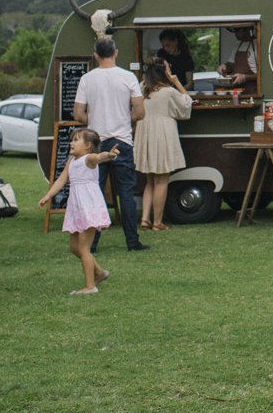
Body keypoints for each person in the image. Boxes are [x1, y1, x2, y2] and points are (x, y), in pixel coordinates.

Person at [72, 36, 148, 252]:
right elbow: (140, 112)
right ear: (116, 52)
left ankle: (91, 244)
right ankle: (132, 242)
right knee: (126, 192)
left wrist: (95, 119)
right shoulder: (128, 77)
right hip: (122, 140)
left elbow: (78, 114)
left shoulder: (87, 79)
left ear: (95, 55)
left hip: (95, 142)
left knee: (95, 193)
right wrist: (125, 118)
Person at [38, 127, 119, 295]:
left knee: (83, 248)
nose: (71, 143)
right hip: (76, 208)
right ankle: (99, 272)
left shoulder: (88, 159)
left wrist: (108, 155)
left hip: (89, 207)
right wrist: (48, 195)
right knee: (75, 248)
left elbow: (99, 157)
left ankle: (90, 286)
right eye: (72, 139)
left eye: (76, 140)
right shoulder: (72, 161)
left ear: (88, 145)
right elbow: (61, 179)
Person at [135, 56, 190, 232]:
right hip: (162, 132)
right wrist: (177, 82)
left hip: (145, 131)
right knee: (161, 180)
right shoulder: (168, 92)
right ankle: (157, 221)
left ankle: (145, 219)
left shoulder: (142, 88)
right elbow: (185, 107)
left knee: (149, 181)